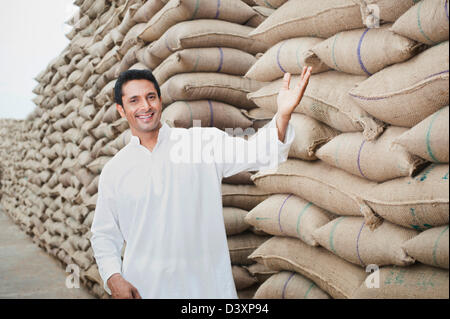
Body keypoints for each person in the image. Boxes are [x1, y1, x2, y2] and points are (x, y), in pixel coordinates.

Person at [90, 67, 312, 299]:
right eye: (134, 100)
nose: (145, 106)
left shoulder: (201, 143)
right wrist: (113, 277)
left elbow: (258, 152)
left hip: (206, 291)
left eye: (151, 97)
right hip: (146, 289)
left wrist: (283, 114)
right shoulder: (115, 170)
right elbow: (104, 234)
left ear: (161, 101)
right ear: (121, 110)